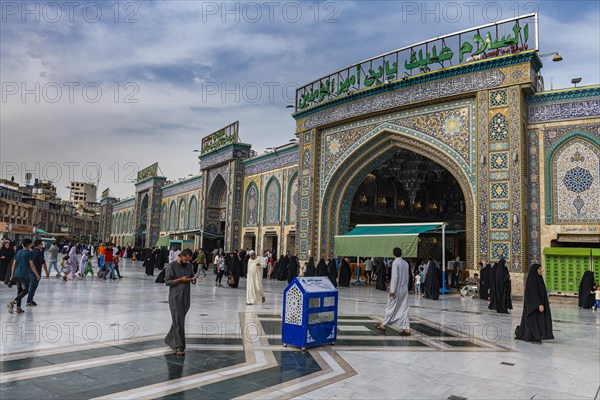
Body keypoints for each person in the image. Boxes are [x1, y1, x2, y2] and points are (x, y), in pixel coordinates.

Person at [164, 249, 196, 356]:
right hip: (175, 298)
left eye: (189, 260)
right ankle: (179, 347)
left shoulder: (189, 266)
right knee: (179, 321)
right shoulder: (171, 266)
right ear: (181, 256)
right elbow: (167, 282)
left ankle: (169, 339)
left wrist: (193, 279)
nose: (188, 262)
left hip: (186, 297)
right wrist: (181, 280)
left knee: (179, 321)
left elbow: (192, 276)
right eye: (186, 260)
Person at [375, 248, 411, 336]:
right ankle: (407, 329)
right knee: (404, 308)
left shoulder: (396, 262)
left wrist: (392, 290)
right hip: (404, 289)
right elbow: (408, 276)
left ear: (393, 254)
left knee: (390, 307)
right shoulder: (405, 263)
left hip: (397, 290)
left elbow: (395, 277)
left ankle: (383, 324)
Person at [515, 264, 554, 344]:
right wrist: (539, 304)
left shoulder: (538, 279)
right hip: (534, 305)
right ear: (535, 270)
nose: (541, 270)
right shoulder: (532, 280)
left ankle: (537, 334)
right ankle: (532, 335)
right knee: (532, 320)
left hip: (538, 304)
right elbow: (533, 293)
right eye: (539, 269)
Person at [7, 239, 40, 314]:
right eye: (31, 244)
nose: (31, 245)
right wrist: (37, 274)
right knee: (25, 291)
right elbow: (31, 265)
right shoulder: (29, 253)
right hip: (24, 275)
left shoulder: (18, 252)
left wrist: (12, 275)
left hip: (16, 274)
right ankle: (12, 302)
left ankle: (18, 308)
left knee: (19, 291)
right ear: (28, 245)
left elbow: (13, 265)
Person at [27, 240, 48, 306]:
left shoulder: (31, 251)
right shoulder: (39, 253)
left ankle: (31, 299)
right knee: (33, 287)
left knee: (31, 287)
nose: (42, 245)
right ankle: (29, 301)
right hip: (36, 272)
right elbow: (43, 263)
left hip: (29, 271)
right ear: (38, 245)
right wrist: (46, 271)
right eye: (41, 244)